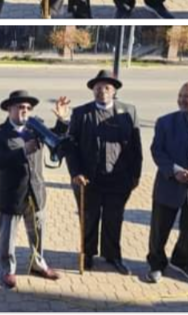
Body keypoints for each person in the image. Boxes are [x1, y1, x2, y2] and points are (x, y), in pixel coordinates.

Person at [0, 89, 70, 289]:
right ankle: (8, 270)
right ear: (9, 109)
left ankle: (38, 264)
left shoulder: (35, 127)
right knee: (8, 237)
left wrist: (61, 121)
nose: (24, 111)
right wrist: (23, 150)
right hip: (12, 194)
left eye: (27, 108)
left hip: (36, 191)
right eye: (20, 107)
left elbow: (54, 140)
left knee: (38, 233)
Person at [62, 70, 142, 274]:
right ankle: (87, 254)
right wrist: (76, 172)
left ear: (114, 90)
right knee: (89, 218)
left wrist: (136, 175)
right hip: (89, 179)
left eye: (107, 87)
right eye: (97, 88)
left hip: (119, 178)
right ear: (92, 91)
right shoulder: (81, 113)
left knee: (114, 218)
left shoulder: (129, 111)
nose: (102, 91)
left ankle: (112, 255)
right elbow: (71, 146)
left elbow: (136, 147)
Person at [145, 80, 188, 284]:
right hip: (169, 184)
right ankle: (156, 264)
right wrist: (175, 171)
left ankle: (182, 262)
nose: (182, 100)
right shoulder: (165, 122)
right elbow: (157, 151)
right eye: (180, 96)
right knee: (159, 229)